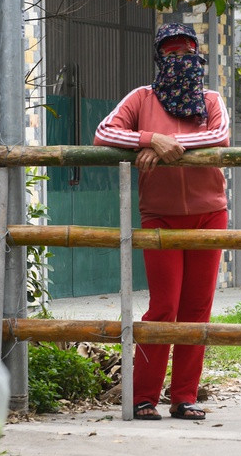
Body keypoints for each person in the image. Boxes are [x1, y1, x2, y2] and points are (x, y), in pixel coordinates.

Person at [94, 23, 230, 420]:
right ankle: (142, 397)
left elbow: (219, 136)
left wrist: (172, 146)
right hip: (160, 218)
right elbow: (104, 132)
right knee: (164, 306)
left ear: (198, 56)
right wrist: (149, 139)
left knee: (197, 309)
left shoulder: (211, 100)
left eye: (186, 53)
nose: (179, 61)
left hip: (209, 215)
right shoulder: (141, 98)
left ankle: (185, 398)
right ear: (158, 58)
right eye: (170, 54)